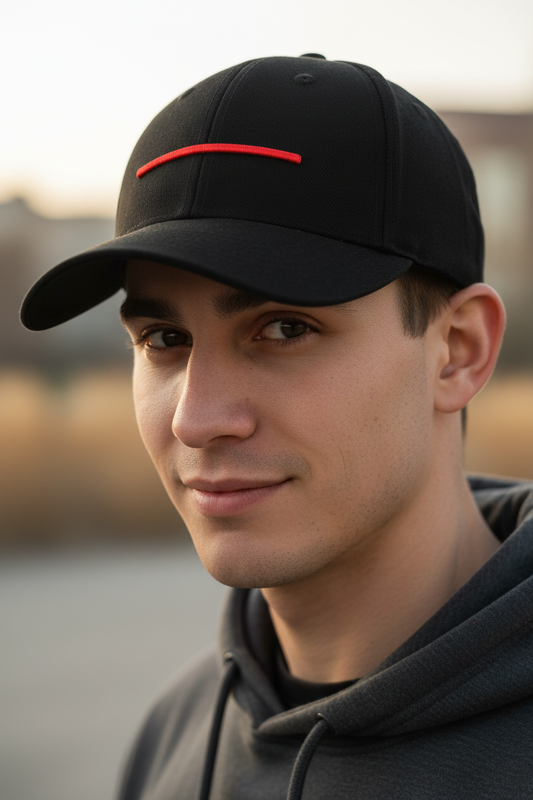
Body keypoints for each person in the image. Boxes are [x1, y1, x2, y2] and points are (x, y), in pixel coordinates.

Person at [21, 55, 533, 799]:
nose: (197, 421)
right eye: (164, 339)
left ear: (457, 351)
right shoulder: (178, 728)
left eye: (284, 328)